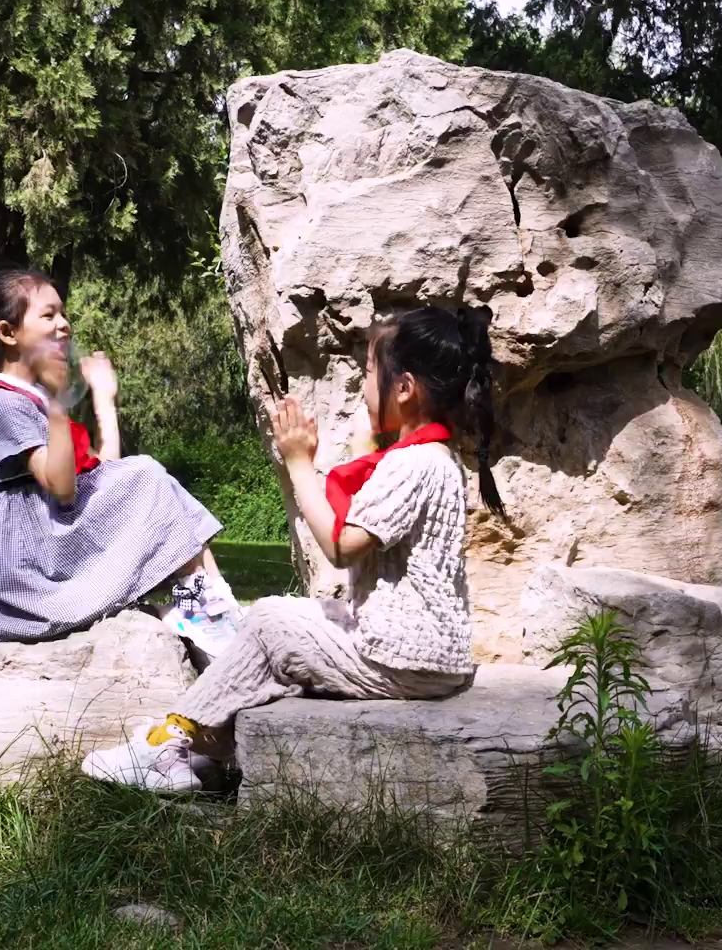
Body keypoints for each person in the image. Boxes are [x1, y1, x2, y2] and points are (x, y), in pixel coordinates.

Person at [81, 304, 504, 792]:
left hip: (405, 661)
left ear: (404, 388)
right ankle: (203, 747)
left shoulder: (416, 464)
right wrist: (362, 444)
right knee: (290, 620)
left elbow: (342, 544)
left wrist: (299, 462)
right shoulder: (431, 457)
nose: (363, 385)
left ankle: (167, 746)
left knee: (269, 621)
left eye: (369, 373)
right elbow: (367, 515)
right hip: (425, 656)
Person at [0, 269, 236, 644]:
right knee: (146, 473)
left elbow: (106, 478)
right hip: (23, 570)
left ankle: (209, 601)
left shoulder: (30, 399)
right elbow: (62, 488)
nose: (64, 324)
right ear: (8, 333)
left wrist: (103, 399)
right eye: (48, 315)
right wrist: (58, 402)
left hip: (49, 542)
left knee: (143, 474)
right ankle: (203, 604)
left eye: (63, 314)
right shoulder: (2, 403)